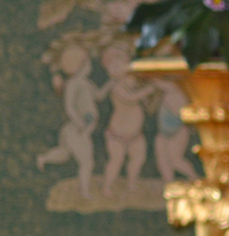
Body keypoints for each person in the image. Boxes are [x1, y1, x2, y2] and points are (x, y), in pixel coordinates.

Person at [36, 44, 99, 198]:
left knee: (65, 154)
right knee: (87, 163)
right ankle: (84, 192)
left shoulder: (86, 83)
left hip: (79, 128)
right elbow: (69, 107)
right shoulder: (72, 84)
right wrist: (80, 124)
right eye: (87, 62)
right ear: (81, 66)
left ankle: (44, 158)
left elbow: (98, 96)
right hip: (76, 129)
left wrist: (112, 83)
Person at [100, 43, 154, 197]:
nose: (116, 69)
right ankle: (108, 185)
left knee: (138, 158)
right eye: (112, 66)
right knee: (116, 161)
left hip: (135, 133)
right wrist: (147, 90)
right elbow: (131, 98)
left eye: (120, 65)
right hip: (118, 134)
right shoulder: (116, 87)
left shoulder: (131, 81)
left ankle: (131, 182)